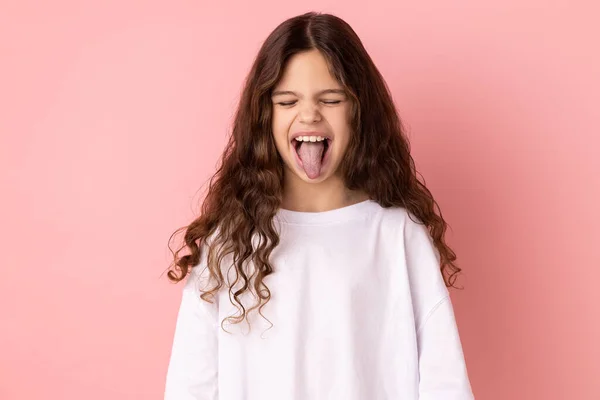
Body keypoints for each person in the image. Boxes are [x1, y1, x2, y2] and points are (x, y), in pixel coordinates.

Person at [163, 11, 475, 400]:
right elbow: (191, 385)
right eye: (287, 101)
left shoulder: (397, 235)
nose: (309, 114)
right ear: (264, 116)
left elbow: (443, 381)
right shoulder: (227, 243)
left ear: (358, 111)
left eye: (330, 99)